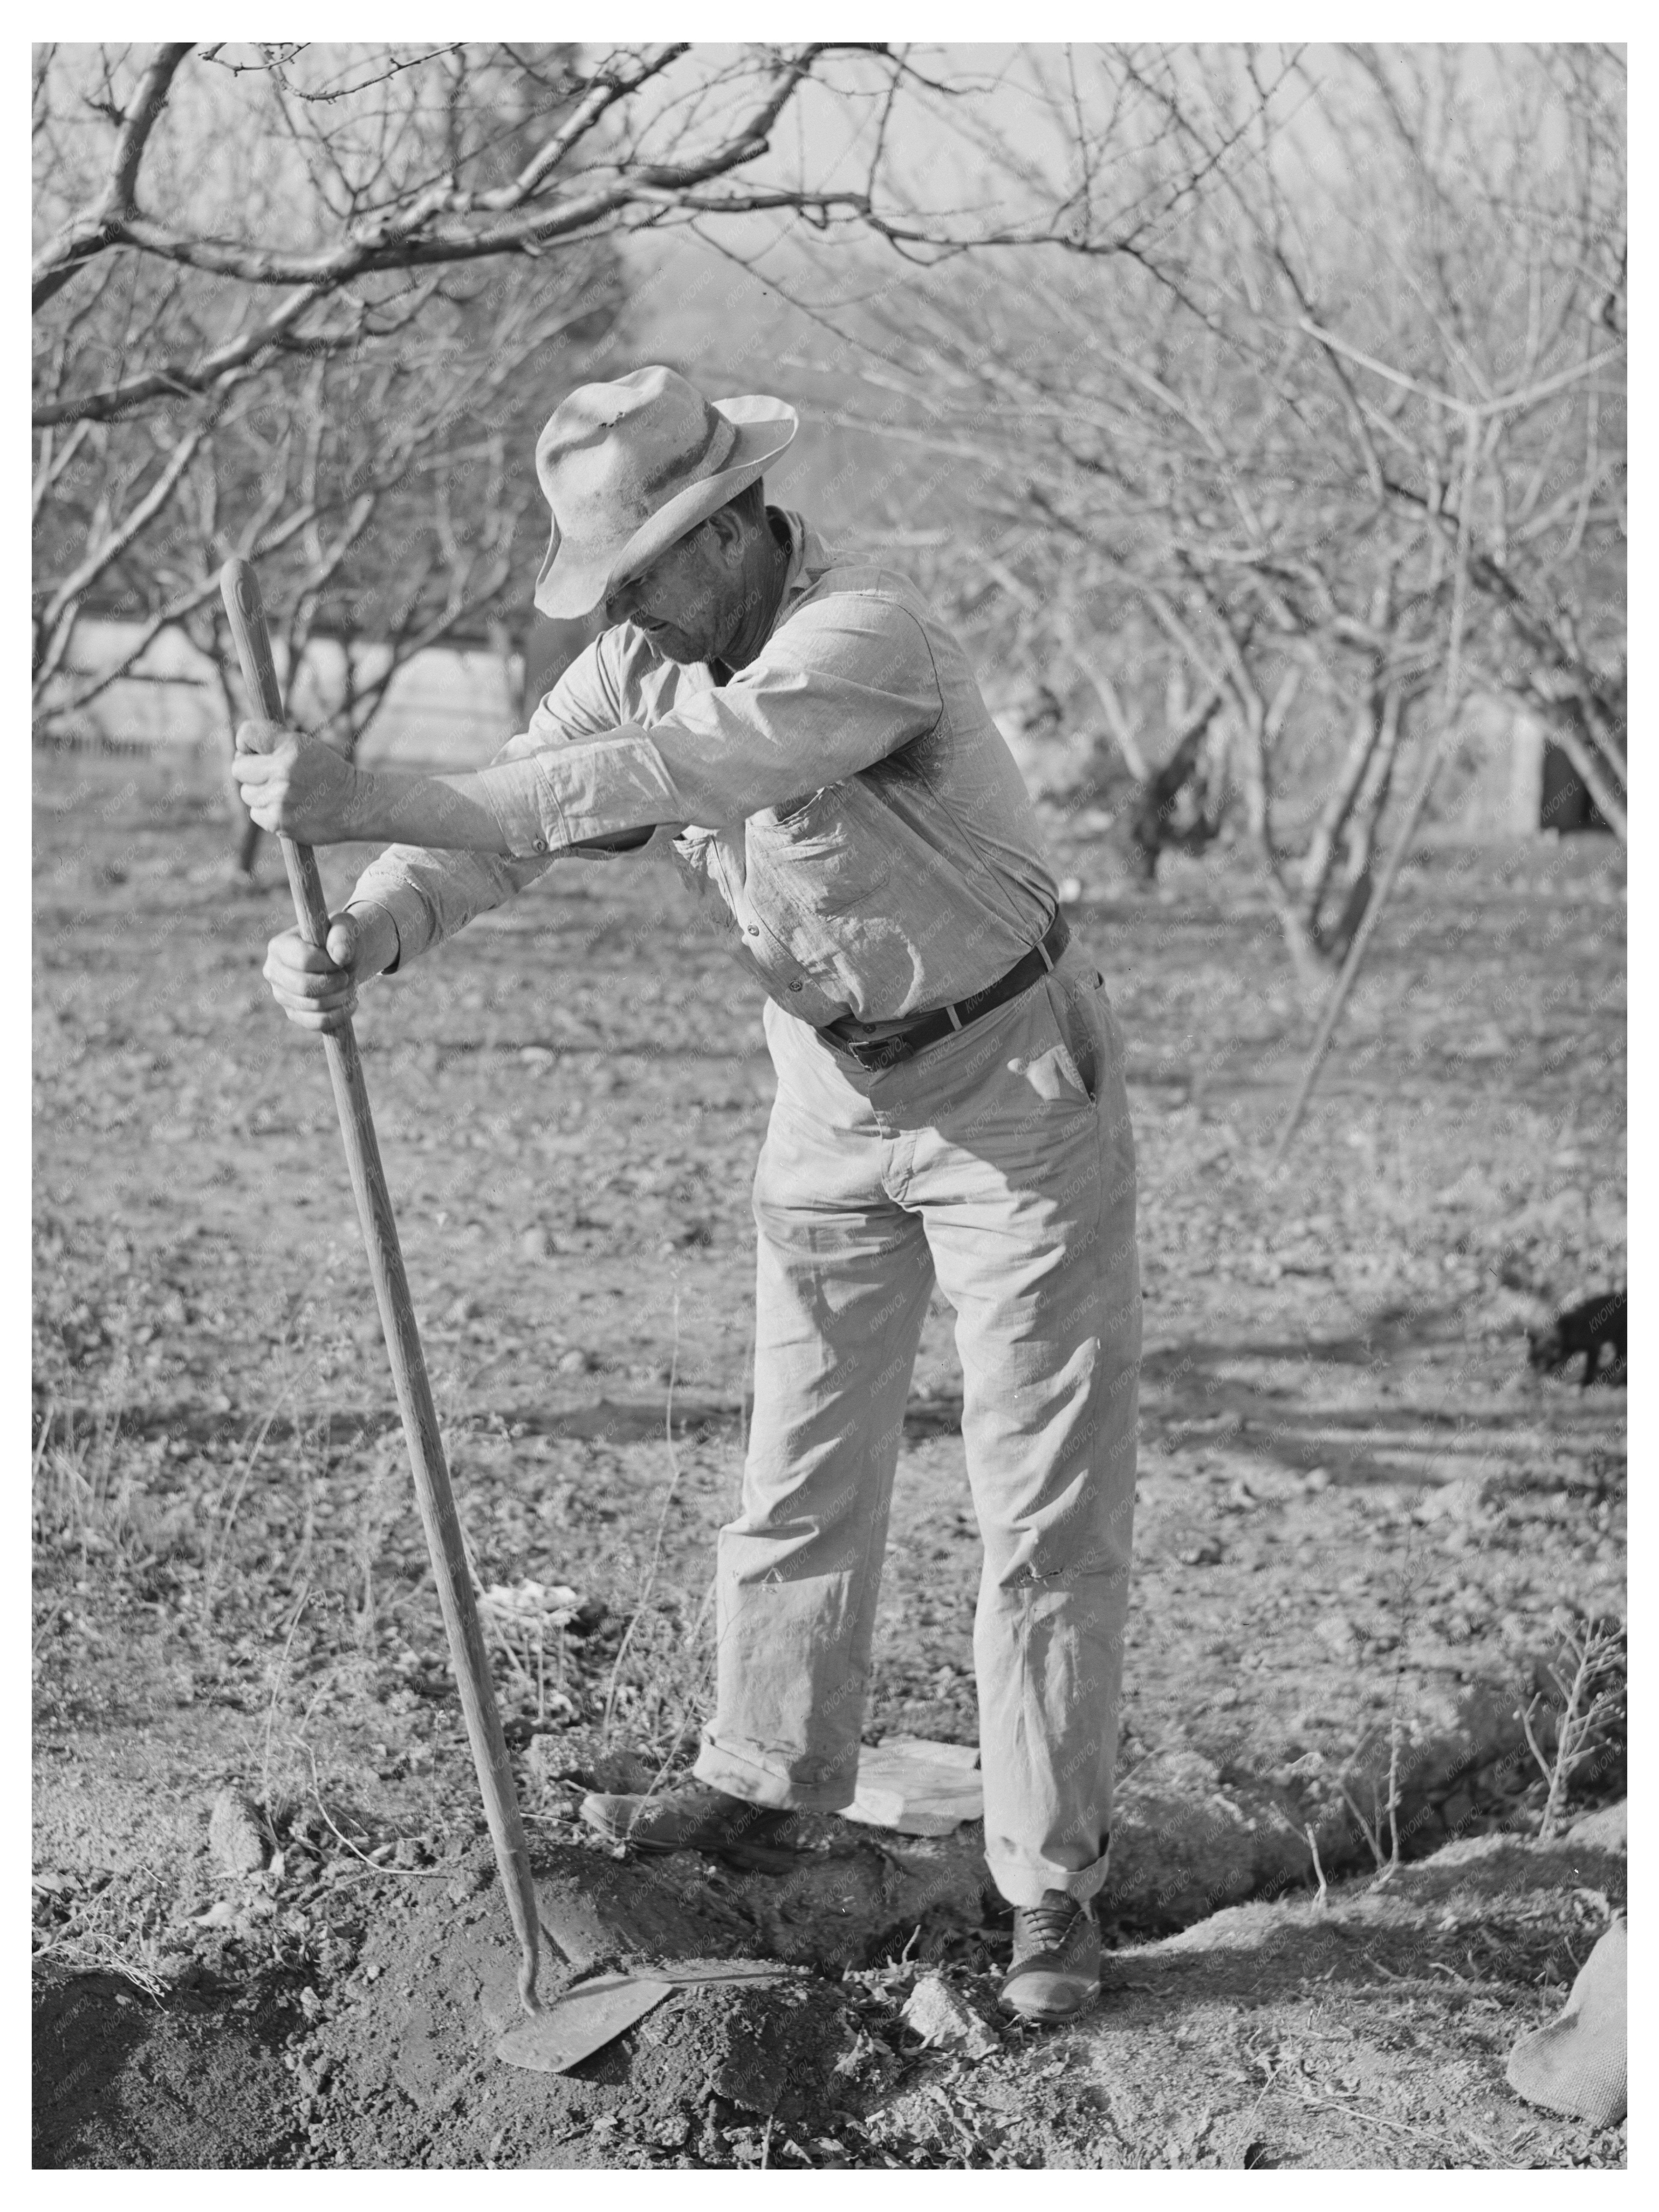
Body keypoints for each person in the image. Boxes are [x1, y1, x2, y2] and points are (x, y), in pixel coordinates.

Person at [235, 364, 1142, 2022]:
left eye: (641, 572)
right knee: (797, 1462)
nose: (623, 610)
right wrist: (361, 928)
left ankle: (1048, 1891)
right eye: (607, 583)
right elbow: (507, 819)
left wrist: (363, 791)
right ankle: (767, 1776)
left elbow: (673, 775)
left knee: (1039, 1512)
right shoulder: (641, 653)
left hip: (1010, 1091)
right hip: (829, 1089)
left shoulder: (865, 635)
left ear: (730, 531)